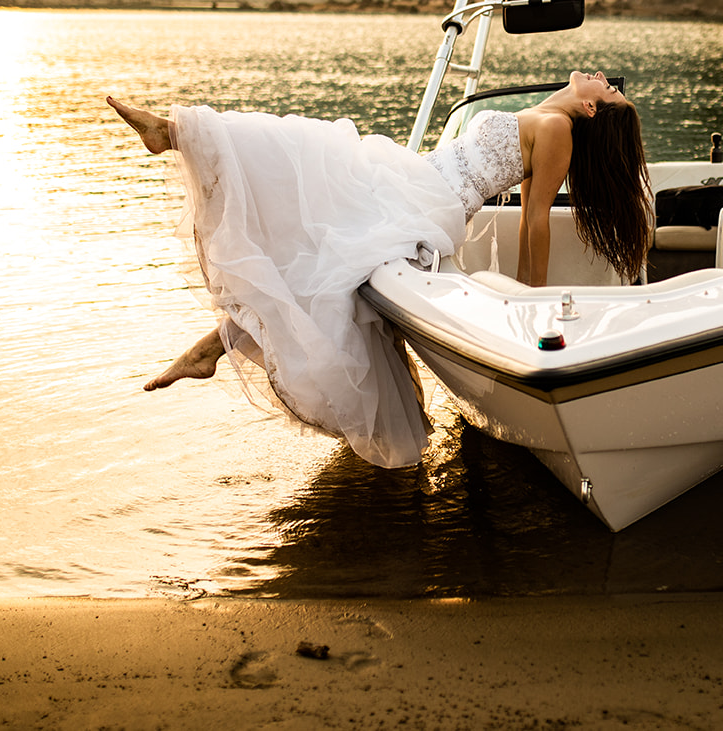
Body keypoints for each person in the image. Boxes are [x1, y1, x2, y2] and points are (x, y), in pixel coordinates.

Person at [107, 70, 652, 468]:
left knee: (313, 168)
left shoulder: (558, 129)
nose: (604, 78)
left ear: (591, 112)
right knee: (316, 222)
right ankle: (211, 347)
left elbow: (536, 219)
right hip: (411, 181)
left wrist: (530, 304)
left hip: (425, 201)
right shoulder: (549, 115)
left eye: (609, 90)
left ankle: (174, 133)